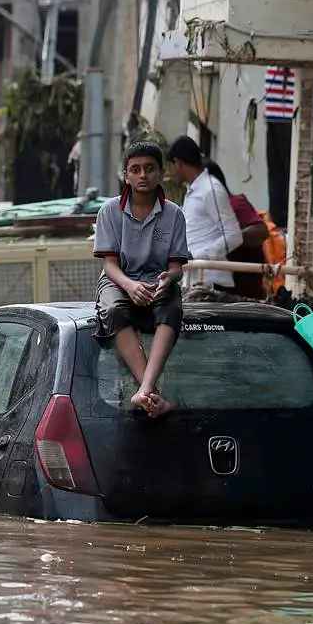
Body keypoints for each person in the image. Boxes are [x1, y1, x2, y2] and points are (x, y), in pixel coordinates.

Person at [93, 142, 191, 418]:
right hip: (118, 281)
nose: (143, 175)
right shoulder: (109, 211)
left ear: (161, 173)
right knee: (113, 310)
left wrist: (167, 279)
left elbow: (176, 268)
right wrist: (130, 285)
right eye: (135, 170)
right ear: (126, 176)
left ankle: (145, 389)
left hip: (157, 283)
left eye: (149, 169)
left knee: (171, 309)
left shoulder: (175, 214)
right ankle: (151, 394)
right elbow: (109, 265)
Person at [168, 136, 243, 290]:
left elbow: (234, 236)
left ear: (179, 163)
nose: (171, 172)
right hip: (194, 282)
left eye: (172, 165)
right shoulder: (192, 190)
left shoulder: (211, 189)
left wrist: (197, 256)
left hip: (213, 283)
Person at [205, 162, 270, 299]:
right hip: (214, 293)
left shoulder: (235, 203)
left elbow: (261, 231)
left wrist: (226, 239)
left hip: (243, 296)